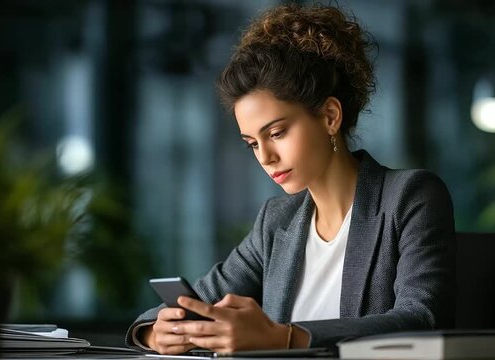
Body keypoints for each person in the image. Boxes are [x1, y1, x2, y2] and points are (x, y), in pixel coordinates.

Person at [125, 2, 455, 354]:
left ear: (330, 116)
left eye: (278, 133)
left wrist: (284, 338)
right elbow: (194, 302)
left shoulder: (409, 197)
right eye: (252, 143)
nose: (265, 157)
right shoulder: (277, 221)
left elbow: (421, 318)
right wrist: (155, 333)